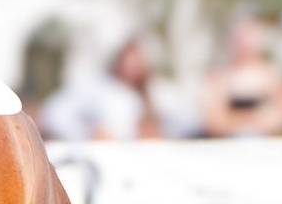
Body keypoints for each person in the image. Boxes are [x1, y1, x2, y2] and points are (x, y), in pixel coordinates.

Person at [40, 38, 186, 142]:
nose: (135, 66)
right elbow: (56, 113)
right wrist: (88, 134)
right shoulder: (100, 89)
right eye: (130, 59)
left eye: (139, 60)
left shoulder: (157, 91)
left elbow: (184, 121)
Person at [200, 17, 282, 138]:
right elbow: (213, 120)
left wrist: (259, 120)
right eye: (241, 38)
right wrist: (243, 120)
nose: (245, 43)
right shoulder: (222, 79)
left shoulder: (273, 78)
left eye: (250, 37)